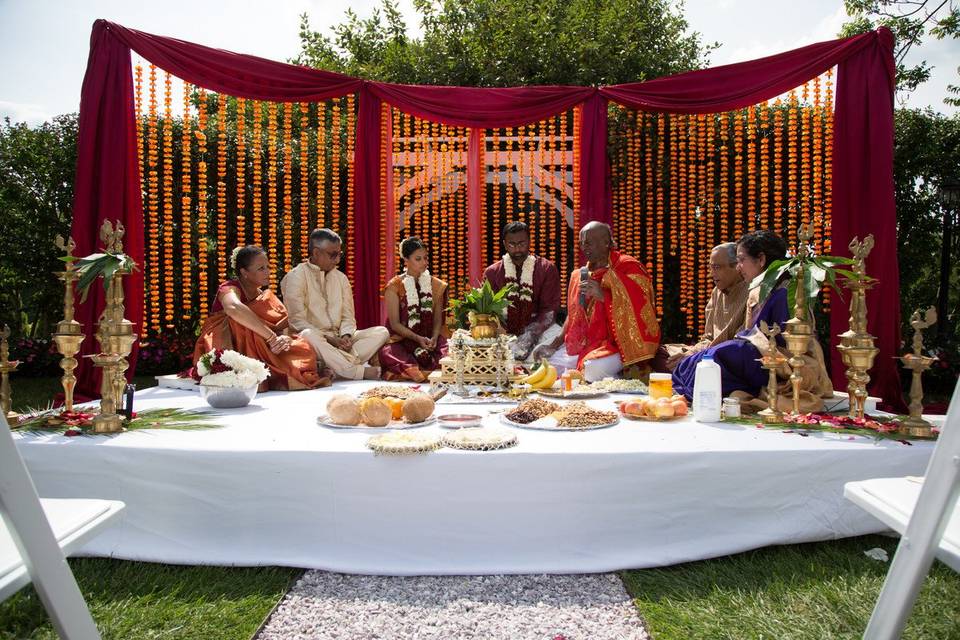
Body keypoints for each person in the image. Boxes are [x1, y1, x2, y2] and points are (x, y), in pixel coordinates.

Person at [532, 222, 661, 381]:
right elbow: (573, 316)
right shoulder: (580, 275)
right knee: (549, 367)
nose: (583, 247)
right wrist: (554, 344)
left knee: (592, 370)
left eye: (588, 242)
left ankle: (619, 378)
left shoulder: (629, 267)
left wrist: (603, 296)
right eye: (581, 243)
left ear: (606, 242)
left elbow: (643, 309)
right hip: (586, 344)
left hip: (619, 345)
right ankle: (606, 376)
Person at [191, 245, 329, 391]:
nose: (268, 272)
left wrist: (282, 340)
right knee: (240, 323)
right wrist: (271, 337)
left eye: (268, 267)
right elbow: (234, 308)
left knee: (303, 346)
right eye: (261, 268)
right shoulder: (229, 287)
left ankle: (274, 370)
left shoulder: (263, 296)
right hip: (228, 343)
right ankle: (260, 372)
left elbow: (281, 326)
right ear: (244, 272)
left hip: (266, 346)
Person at [672, 230, 790, 400]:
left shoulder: (784, 290)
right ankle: (690, 390)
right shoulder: (757, 290)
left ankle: (692, 393)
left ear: (761, 260)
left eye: (741, 260)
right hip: (753, 354)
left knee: (720, 355)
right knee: (705, 358)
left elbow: (777, 342)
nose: (738, 266)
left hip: (779, 360)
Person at [280, 228, 389, 380]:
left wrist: (346, 335)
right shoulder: (296, 277)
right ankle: (355, 371)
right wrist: (330, 339)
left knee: (381, 332)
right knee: (307, 335)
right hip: (317, 341)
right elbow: (297, 321)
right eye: (333, 255)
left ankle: (334, 368)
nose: (337, 260)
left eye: (339, 254)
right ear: (316, 253)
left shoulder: (341, 278)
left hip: (339, 338)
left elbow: (348, 316)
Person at [482, 221, 561, 361]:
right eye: (512, 245)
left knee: (555, 339)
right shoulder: (492, 273)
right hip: (504, 334)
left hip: (539, 332)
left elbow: (549, 311)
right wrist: (503, 335)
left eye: (522, 244)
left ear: (529, 241)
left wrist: (529, 335)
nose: (517, 249)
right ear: (505, 244)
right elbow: (488, 312)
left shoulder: (547, 269)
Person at [663, 242, 749, 371]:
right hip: (707, 352)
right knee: (660, 354)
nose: (711, 274)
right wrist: (692, 353)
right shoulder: (716, 292)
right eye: (711, 267)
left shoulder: (751, 293)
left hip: (726, 357)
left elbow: (739, 344)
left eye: (717, 267)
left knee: (691, 365)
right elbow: (708, 337)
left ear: (737, 266)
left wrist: (694, 356)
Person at [378, 237, 449, 382]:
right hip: (402, 340)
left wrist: (434, 337)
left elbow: (437, 320)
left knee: (449, 356)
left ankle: (425, 369)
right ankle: (417, 371)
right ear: (406, 260)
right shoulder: (394, 286)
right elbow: (395, 324)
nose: (424, 262)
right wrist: (417, 338)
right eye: (418, 259)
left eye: (425, 258)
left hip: (430, 340)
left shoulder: (436, 285)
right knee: (388, 354)